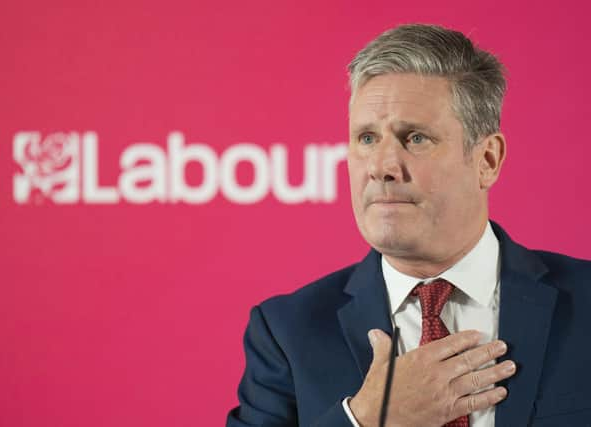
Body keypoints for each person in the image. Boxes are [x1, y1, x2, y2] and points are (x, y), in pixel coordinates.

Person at [226, 24, 591, 427]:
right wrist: (364, 421)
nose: (382, 167)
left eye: (415, 138)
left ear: (487, 160)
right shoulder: (286, 332)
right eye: (366, 138)